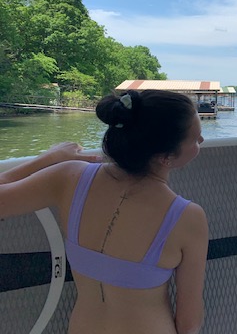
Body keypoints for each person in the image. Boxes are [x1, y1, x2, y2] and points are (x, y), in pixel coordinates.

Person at [0, 90, 208, 334]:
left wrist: (48, 158)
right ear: (166, 157)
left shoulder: (69, 176)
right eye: (195, 139)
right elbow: (189, 324)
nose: (202, 140)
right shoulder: (188, 217)